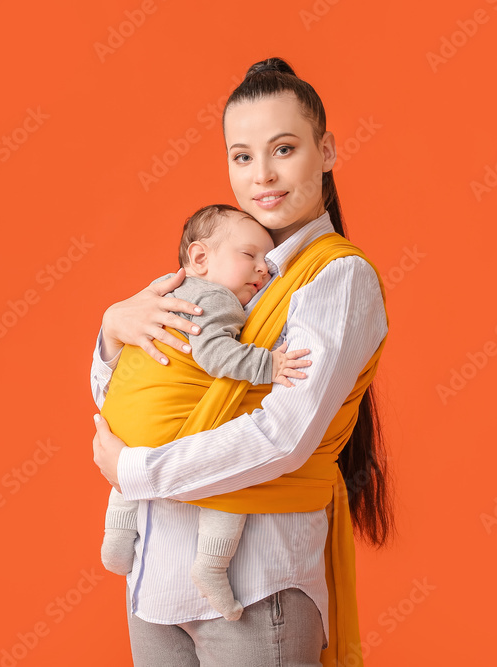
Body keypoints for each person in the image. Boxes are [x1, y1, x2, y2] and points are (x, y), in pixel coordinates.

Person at [92, 57, 394, 666]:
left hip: (256, 590)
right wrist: (109, 332)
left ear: (327, 150)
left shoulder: (337, 278)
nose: (263, 175)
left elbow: (283, 437)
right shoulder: (220, 266)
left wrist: (136, 471)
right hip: (155, 583)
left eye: (284, 148)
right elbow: (127, 395)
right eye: (242, 156)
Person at [100, 203, 314, 623]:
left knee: (127, 473)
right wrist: (270, 365)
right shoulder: (217, 300)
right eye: (249, 255)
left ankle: (117, 534)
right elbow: (217, 355)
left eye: (267, 264)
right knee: (233, 476)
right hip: (168, 427)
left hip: (123, 422)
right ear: (199, 259)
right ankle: (212, 565)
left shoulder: (163, 296)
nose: (262, 271)